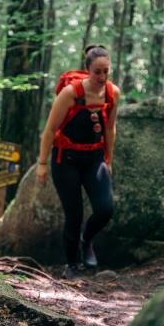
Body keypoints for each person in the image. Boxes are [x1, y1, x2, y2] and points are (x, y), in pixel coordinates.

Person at [36, 45, 120, 278]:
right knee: (73, 214)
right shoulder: (71, 93)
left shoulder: (113, 93)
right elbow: (50, 130)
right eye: (97, 72)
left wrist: (108, 159)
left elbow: (110, 128)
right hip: (66, 160)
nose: (102, 77)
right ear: (87, 70)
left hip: (94, 158)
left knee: (105, 209)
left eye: (106, 71)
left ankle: (87, 240)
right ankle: (71, 265)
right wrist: (42, 164)